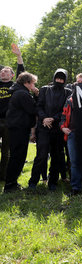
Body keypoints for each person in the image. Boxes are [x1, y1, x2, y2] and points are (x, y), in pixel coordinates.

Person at [28, 68, 72, 191]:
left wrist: (53, 118)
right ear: (54, 78)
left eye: (62, 79)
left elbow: (65, 109)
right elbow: (39, 105)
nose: (59, 80)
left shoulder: (67, 92)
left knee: (57, 156)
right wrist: (44, 118)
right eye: (57, 78)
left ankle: (53, 182)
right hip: (43, 127)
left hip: (58, 128)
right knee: (41, 155)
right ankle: (33, 181)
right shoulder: (44, 89)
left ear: (65, 80)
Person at [60, 73, 82, 197]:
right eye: (77, 82)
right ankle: (75, 188)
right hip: (73, 134)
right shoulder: (70, 98)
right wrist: (63, 127)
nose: (79, 84)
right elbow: (63, 115)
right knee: (74, 162)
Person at [3, 72, 39, 193]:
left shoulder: (18, 91)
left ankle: (12, 182)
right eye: (33, 83)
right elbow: (33, 109)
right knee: (17, 156)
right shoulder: (22, 93)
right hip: (19, 128)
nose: (33, 85)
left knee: (16, 156)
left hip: (16, 127)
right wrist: (37, 96)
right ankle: (10, 184)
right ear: (26, 83)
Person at [0, 43, 25, 182]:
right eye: (1, 71)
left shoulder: (15, 86)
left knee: (6, 151)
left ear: (12, 75)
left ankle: (3, 176)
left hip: (9, 122)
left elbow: (22, 73)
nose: (3, 72)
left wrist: (19, 56)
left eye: (6, 71)